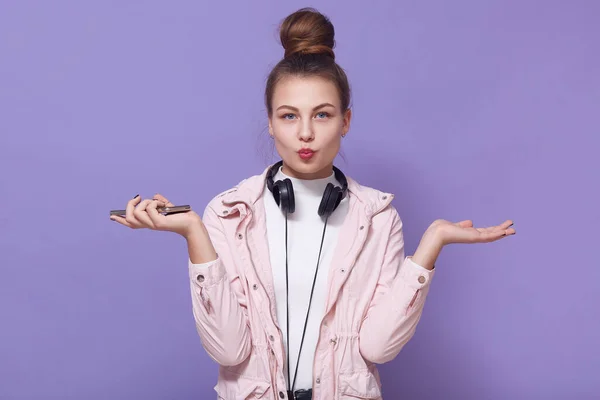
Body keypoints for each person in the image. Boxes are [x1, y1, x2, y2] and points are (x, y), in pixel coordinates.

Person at [110, 7, 516, 400]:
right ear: (270, 122)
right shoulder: (230, 212)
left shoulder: (376, 217)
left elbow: (378, 348)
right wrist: (194, 234)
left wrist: (431, 246)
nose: (305, 133)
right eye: (289, 116)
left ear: (346, 121)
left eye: (322, 115)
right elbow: (229, 351)